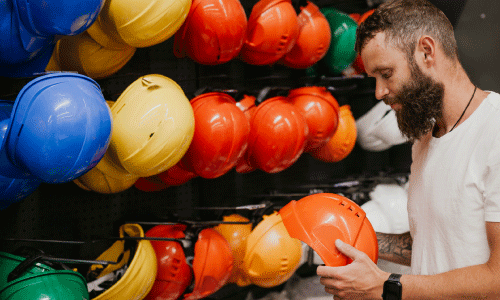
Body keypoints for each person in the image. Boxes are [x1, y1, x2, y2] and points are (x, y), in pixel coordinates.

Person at [316, 0, 500, 299]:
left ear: (427, 52)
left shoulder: (495, 131)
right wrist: (352, 240)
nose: (379, 93)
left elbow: (498, 278)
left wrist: (387, 285)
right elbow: (434, 244)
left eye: (386, 74)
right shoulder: (425, 140)